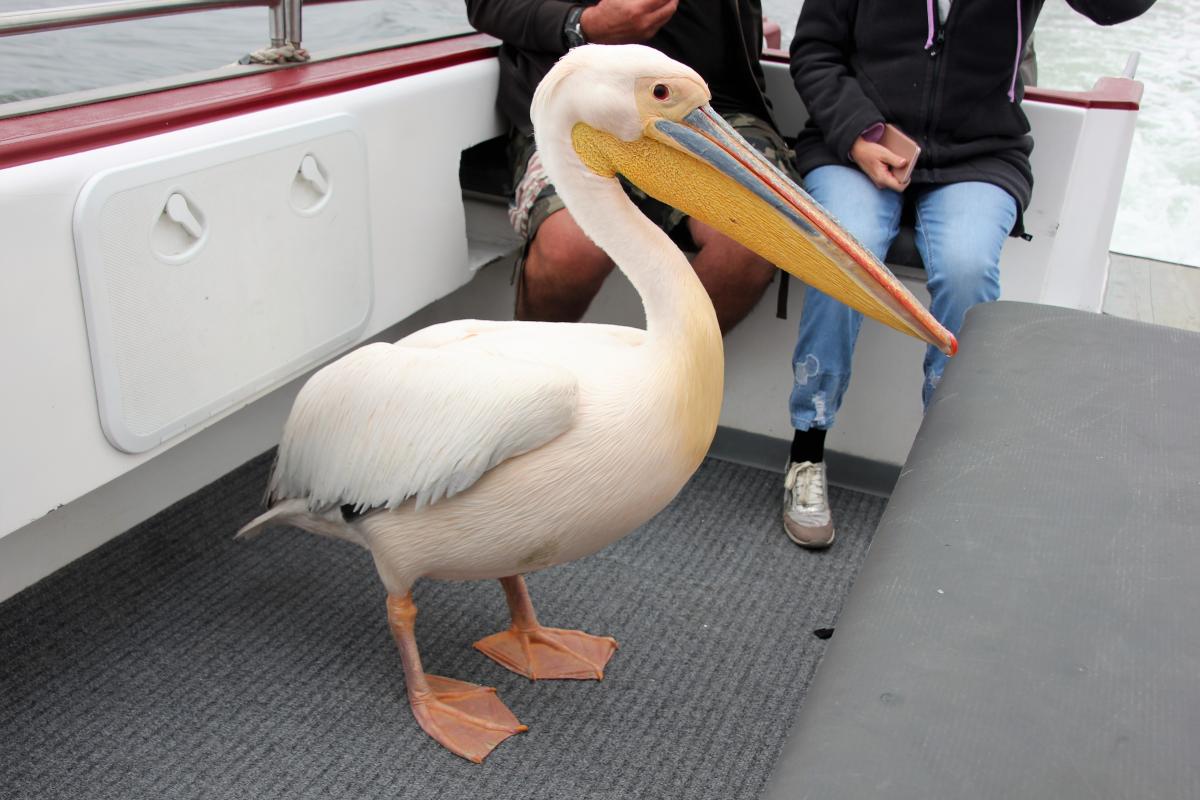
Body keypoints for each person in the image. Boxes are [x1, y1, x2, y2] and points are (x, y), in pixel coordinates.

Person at [781, 0, 1155, 548]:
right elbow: (814, 50)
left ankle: (942, 471)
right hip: (856, 144)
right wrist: (859, 133)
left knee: (967, 269)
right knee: (846, 250)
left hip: (979, 154)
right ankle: (806, 451)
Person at [465, 0, 787, 333]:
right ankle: (531, 376)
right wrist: (581, 23)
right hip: (574, 108)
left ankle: (661, 375)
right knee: (570, 250)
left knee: (749, 239)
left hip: (705, 106)